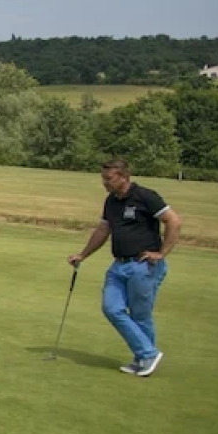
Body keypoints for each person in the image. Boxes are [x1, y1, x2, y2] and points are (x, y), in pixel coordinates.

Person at [68, 158, 182, 377]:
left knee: (140, 315)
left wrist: (161, 253)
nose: (105, 183)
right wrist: (83, 255)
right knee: (111, 308)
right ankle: (147, 353)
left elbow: (174, 222)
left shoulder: (145, 196)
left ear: (123, 177)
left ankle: (144, 358)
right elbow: (103, 230)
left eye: (109, 179)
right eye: (103, 178)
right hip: (119, 265)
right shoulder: (111, 201)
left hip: (144, 265)